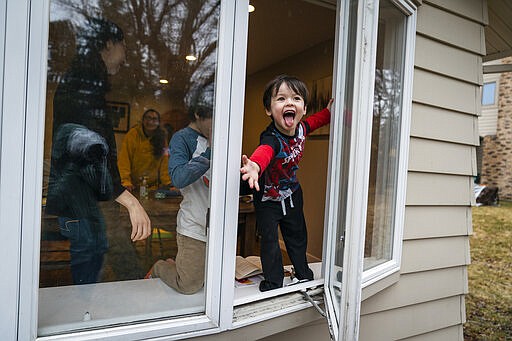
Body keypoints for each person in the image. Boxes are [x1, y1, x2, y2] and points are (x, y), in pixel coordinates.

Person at [46, 18, 151, 285]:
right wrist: (130, 201)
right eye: (123, 47)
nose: (125, 57)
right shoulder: (83, 88)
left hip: (84, 203)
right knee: (88, 279)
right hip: (82, 204)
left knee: (96, 269)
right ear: (107, 45)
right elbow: (90, 152)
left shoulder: (82, 83)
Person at [240, 74, 333, 292]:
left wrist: (329, 112)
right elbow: (265, 152)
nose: (289, 102)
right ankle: (273, 282)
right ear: (269, 110)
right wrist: (255, 166)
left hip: (292, 193)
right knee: (270, 242)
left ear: (304, 108)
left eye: (296, 98)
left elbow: (316, 121)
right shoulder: (271, 138)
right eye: (281, 99)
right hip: (268, 200)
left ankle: (303, 274)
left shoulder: (301, 128)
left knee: (297, 236)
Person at [145, 100, 212, 295]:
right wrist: (211, 151)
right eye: (212, 119)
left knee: (212, 282)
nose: (216, 125)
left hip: (219, 226)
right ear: (199, 114)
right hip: (194, 224)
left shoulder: (221, 136)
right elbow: (179, 177)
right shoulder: (181, 138)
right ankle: (159, 267)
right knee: (189, 285)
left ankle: (176, 264)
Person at [117, 109, 171, 192]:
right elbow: (124, 160)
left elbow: (165, 162)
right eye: (148, 118)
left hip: (153, 188)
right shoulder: (133, 134)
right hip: (132, 187)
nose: (151, 122)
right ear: (143, 120)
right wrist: (125, 182)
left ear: (158, 122)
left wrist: (168, 183)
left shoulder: (162, 138)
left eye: (154, 119)